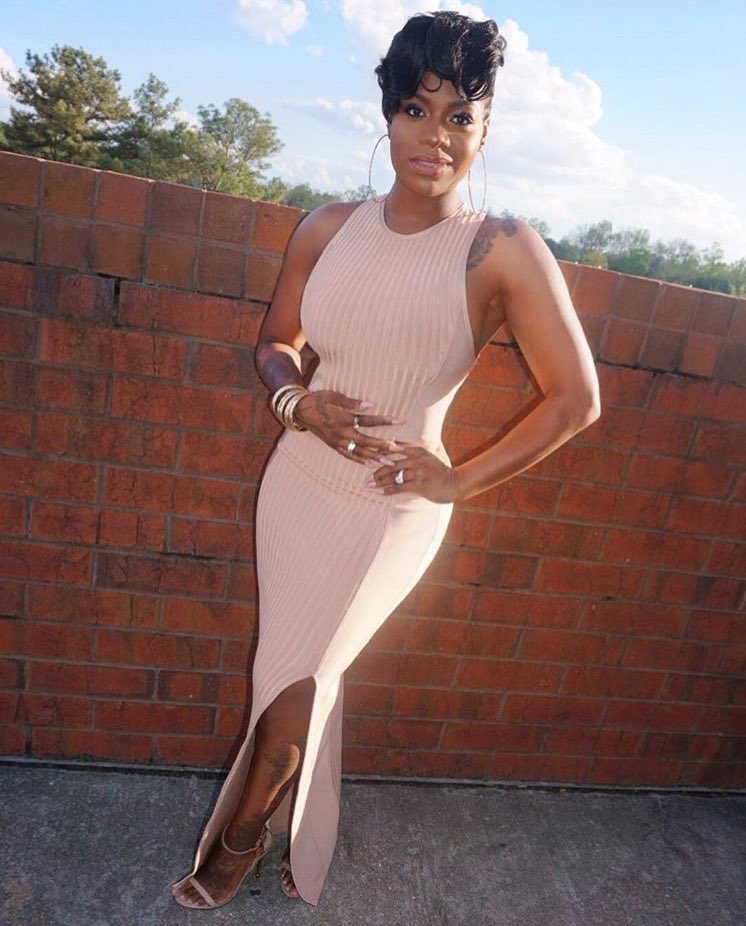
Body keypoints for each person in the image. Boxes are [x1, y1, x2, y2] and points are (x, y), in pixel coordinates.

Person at [171, 9, 600, 911]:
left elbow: (576, 399)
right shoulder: (327, 228)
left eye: (459, 116)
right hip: (297, 486)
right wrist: (296, 403)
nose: (435, 135)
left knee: (299, 677)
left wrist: (458, 479)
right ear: (389, 115)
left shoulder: (502, 250)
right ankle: (300, 831)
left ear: (484, 131)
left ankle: (238, 841)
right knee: (286, 668)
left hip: (395, 508)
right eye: (416, 108)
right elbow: (275, 343)